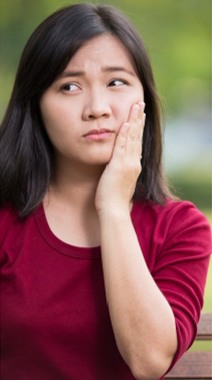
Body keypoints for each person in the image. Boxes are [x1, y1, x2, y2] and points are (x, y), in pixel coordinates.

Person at [0, 3, 211, 380]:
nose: (97, 108)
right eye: (69, 86)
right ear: (35, 106)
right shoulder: (5, 219)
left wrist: (112, 206)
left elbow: (149, 361)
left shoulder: (182, 228)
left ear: (143, 99)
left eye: (116, 82)